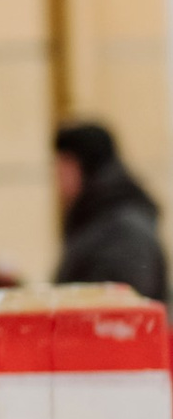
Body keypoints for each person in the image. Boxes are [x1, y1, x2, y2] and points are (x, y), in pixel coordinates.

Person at [53, 119, 168, 303]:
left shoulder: (123, 228)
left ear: (78, 165)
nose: (58, 182)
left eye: (61, 169)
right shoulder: (97, 216)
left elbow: (120, 306)